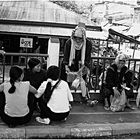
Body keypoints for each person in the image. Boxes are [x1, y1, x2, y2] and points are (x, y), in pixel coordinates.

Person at [63, 23, 92, 103]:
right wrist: (66, 67)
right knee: (68, 82)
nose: (78, 40)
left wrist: (82, 69)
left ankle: (84, 97)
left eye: (80, 38)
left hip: (82, 66)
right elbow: (66, 55)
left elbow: (87, 58)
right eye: (76, 38)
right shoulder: (69, 42)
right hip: (71, 64)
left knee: (82, 82)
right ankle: (67, 98)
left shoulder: (88, 44)